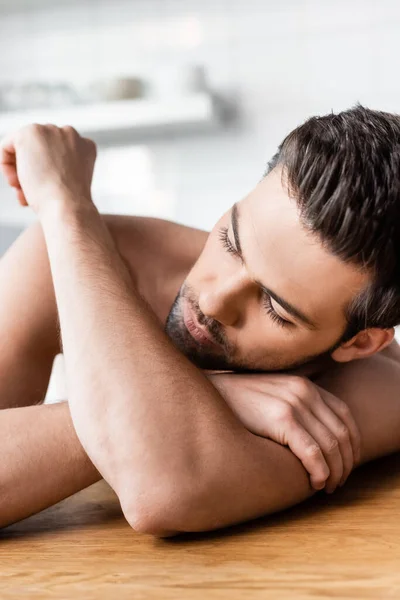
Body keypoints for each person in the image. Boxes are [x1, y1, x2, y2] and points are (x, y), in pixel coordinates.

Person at [1, 105, 400, 536]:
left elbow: (163, 491)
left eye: (275, 309)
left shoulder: (376, 387)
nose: (211, 300)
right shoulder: (68, 249)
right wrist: (67, 207)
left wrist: (65, 206)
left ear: (359, 343)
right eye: (230, 241)